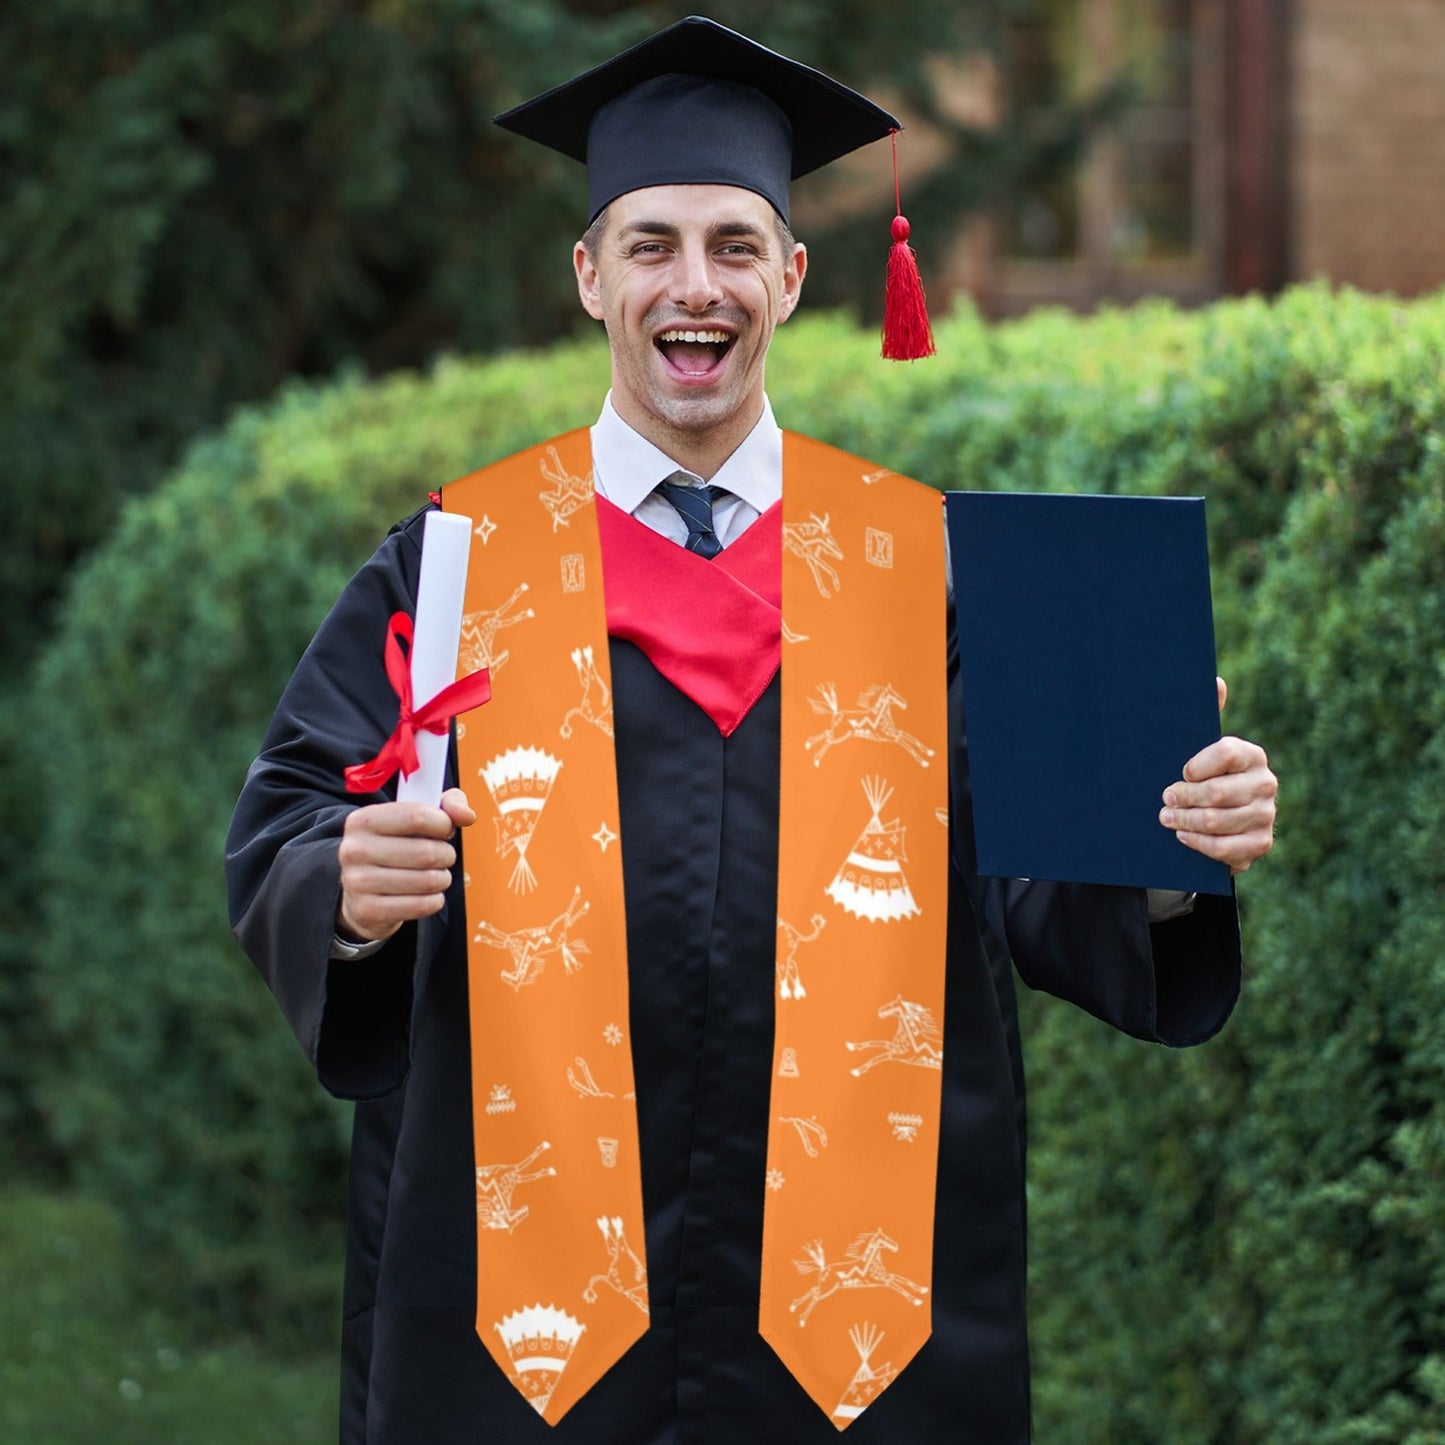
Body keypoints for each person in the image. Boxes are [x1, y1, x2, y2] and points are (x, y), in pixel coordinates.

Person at [225, 17, 1277, 1444]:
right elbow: (291, 818)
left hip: (861, 1310)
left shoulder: (932, 569)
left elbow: (1039, 883)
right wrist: (343, 888)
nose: (692, 285)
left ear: (789, 276)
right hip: (521, 1314)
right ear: (588, 275)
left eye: (732, 244)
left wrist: (1166, 845)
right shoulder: (460, 562)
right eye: (650, 244)